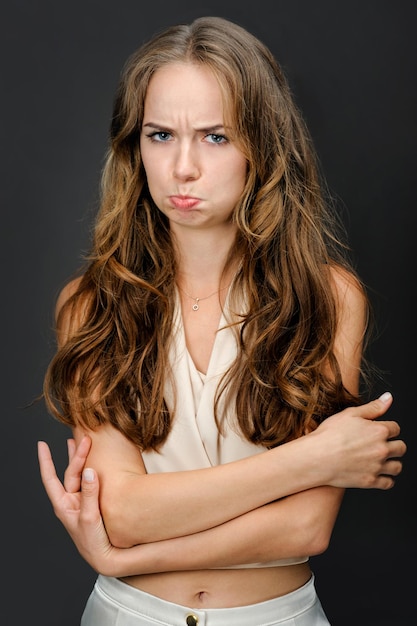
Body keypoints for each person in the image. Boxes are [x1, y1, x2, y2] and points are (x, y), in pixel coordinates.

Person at [38, 15, 406, 626]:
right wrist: (311, 460)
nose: (182, 167)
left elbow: (306, 528)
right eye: (160, 135)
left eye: (215, 136)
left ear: (261, 147)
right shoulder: (89, 304)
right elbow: (124, 511)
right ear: (135, 148)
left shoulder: (330, 298)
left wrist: (126, 554)